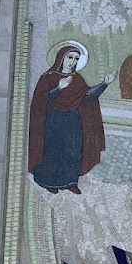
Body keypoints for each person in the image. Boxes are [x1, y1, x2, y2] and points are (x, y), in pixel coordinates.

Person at [28, 43, 116, 194]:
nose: (73, 61)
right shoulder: (48, 78)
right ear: (61, 58)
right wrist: (59, 88)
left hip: (73, 120)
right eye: (70, 57)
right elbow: (41, 101)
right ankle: (49, 182)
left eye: (76, 58)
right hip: (53, 120)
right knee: (53, 150)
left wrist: (104, 83)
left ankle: (70, 181)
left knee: (73, 150)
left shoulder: (77, 79)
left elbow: (87, 96)